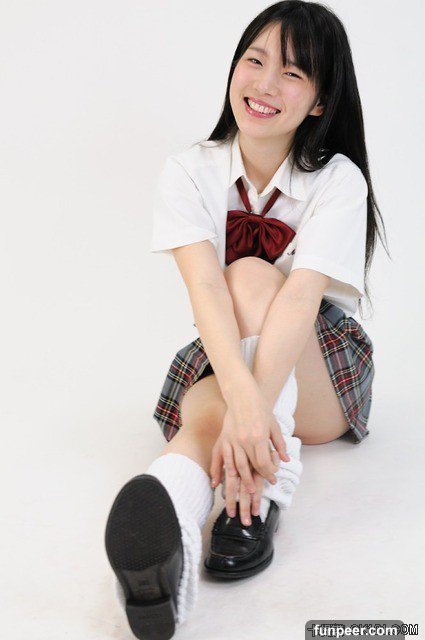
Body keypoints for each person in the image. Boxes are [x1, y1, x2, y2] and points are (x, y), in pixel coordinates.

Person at [104, 2, 389, 638]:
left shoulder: (338, 179)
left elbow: (299, 298)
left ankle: (264, 489)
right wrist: (243, 403)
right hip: (228, 348)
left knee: (253, 276)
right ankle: (166, 531)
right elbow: (203, 289)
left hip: (321, 372)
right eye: (255, 61)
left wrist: (252, 408)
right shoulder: (189, 169)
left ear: (320, 101)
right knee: (209, 415)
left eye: (292, 73)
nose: (264, 83)